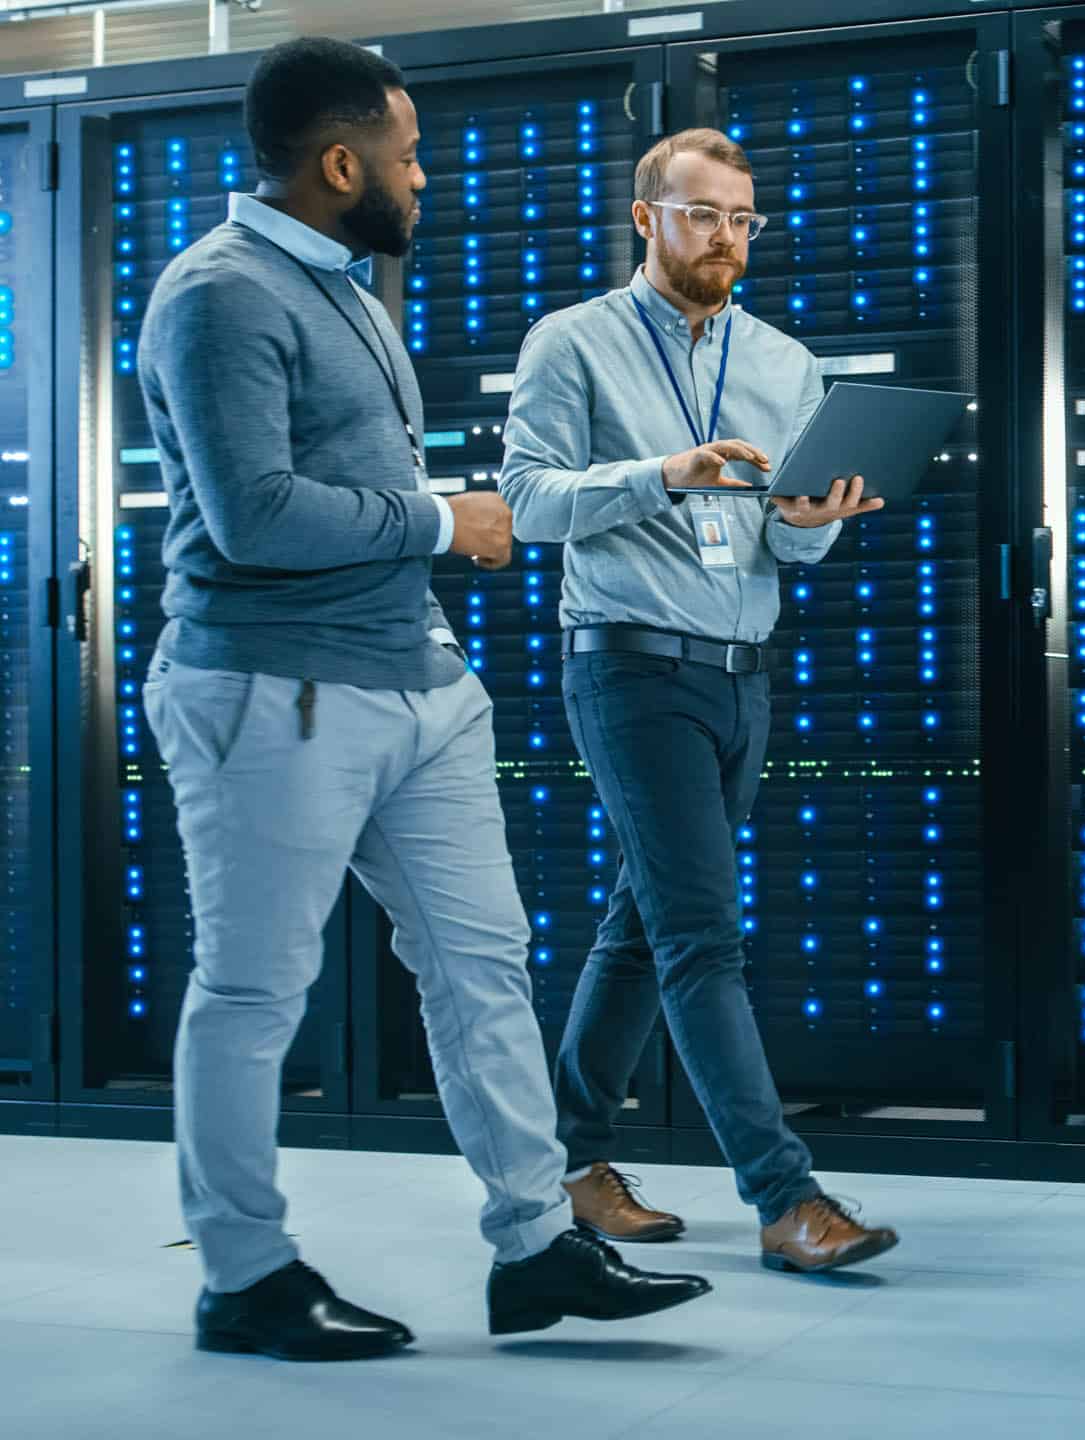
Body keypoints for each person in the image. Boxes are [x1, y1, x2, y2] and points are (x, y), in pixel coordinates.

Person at [137, 37, 710, 1361]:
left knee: (482, 968)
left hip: (415, 685)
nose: (424, 175)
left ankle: (534, 1249)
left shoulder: (344, 284)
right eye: (404, 153)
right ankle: (244, 1276)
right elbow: (255, 516)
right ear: (341, 165)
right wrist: (447, 521)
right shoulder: (219, 295)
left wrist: (440, 615)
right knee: (253, 993)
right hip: (271, 692)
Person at [501, 128, 899, 1275]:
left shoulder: (783, 361)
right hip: (627, 666)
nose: (724, 237)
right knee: (699, 936)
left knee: (644, 922)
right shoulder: (570, 342)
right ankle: (786, 1199)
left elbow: (780, 536)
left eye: (741, 220)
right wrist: (659, 475)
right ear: (646, 218)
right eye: (702, 215)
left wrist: (808, 527)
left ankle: (567, 1161)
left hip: (743, 675)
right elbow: (527, 502)